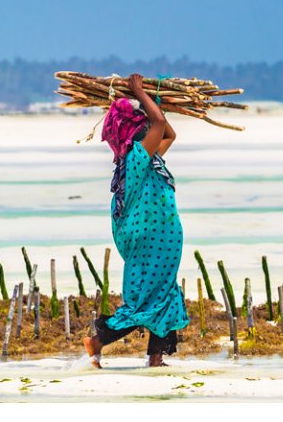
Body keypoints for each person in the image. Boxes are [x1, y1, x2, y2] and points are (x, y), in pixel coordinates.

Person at [83, 73, 188, 368]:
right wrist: (140, 93)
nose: (149, 130)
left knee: (164, 293)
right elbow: (158, 126)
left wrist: (155, 100)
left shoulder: (149, 157)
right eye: (142, 126)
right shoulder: (136, 157)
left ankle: (156, 358)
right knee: (144, 301)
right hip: (152, 241)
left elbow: (169, 134)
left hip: (160, 239)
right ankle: (97, 341)